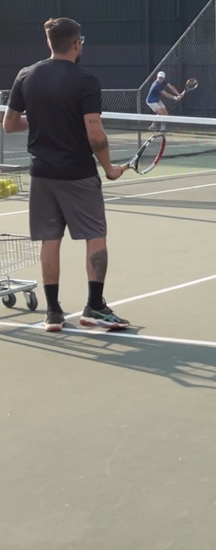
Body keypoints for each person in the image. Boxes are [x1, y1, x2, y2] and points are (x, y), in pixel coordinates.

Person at [2, 18, 131, 332]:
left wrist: (44, 120)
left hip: (42, 174)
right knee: (95, 236)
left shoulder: (25, 75)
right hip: (78, 174)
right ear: (77, 44)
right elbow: (95, 133)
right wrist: (110, 169)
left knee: (50, 239)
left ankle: (53, 313)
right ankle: (95, 307)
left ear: (49, 42)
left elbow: (9, 124)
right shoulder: (85, 79)